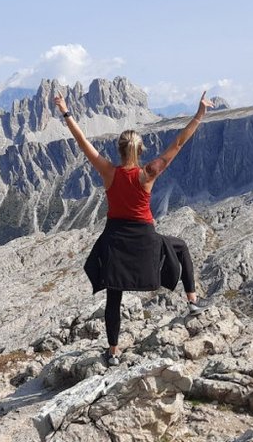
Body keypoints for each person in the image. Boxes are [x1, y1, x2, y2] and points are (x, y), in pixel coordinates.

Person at [52, 90, 212, 366]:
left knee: (114, 296)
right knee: (181, 247)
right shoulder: (148, 172)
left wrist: (65, 111)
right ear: (140, 151)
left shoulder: (107, 171)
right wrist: (198, 116)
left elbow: (81, 141)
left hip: (115, 240)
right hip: (145, 239)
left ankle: (113, 353)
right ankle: (192, 299)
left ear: (119, 150)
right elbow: (177, 144)